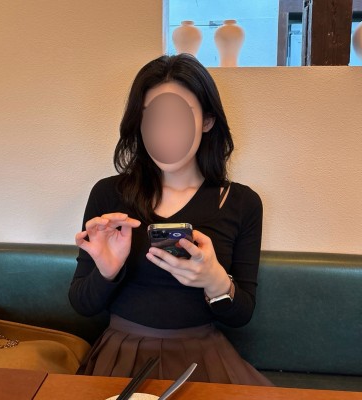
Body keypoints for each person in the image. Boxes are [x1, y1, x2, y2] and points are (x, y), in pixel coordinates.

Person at [69, 53, 272, 385]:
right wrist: (107, 271)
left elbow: (242, 315)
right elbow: (82, 303)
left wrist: (215, 281)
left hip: (202, 358)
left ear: (207, 120)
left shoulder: (241, 203)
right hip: (120, 355)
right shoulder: (108, 194)